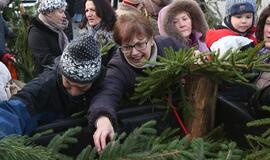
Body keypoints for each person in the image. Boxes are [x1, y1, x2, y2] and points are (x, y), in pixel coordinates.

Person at [0, 35, 114, 152]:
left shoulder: (102, 83)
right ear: (60, 72)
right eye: (68, 84)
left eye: (83, 87)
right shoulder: (43, 87)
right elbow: (13, 111)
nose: (74, 93)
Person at [89, 13, 185, 147]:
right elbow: (106, 94)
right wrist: (103, 120)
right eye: (127, 47)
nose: (134, 53)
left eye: (140, 44)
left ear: (151, 40)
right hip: (147, 132)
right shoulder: (118, 67)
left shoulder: (169, 45)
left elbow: (190, 57)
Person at [28, 0, 70, 74]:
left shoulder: (61, 26)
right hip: (49, 76)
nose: (64, 15)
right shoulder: (36, 32)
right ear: (49, 13)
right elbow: (45, 59)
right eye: (61, 12)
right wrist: (68, 63)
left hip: (63, 72)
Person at [77, 0, 117, 65]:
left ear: (103, 10)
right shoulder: (83, 33)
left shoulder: (115, 35)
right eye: (87, 11)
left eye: (93, 10)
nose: (89, 14)